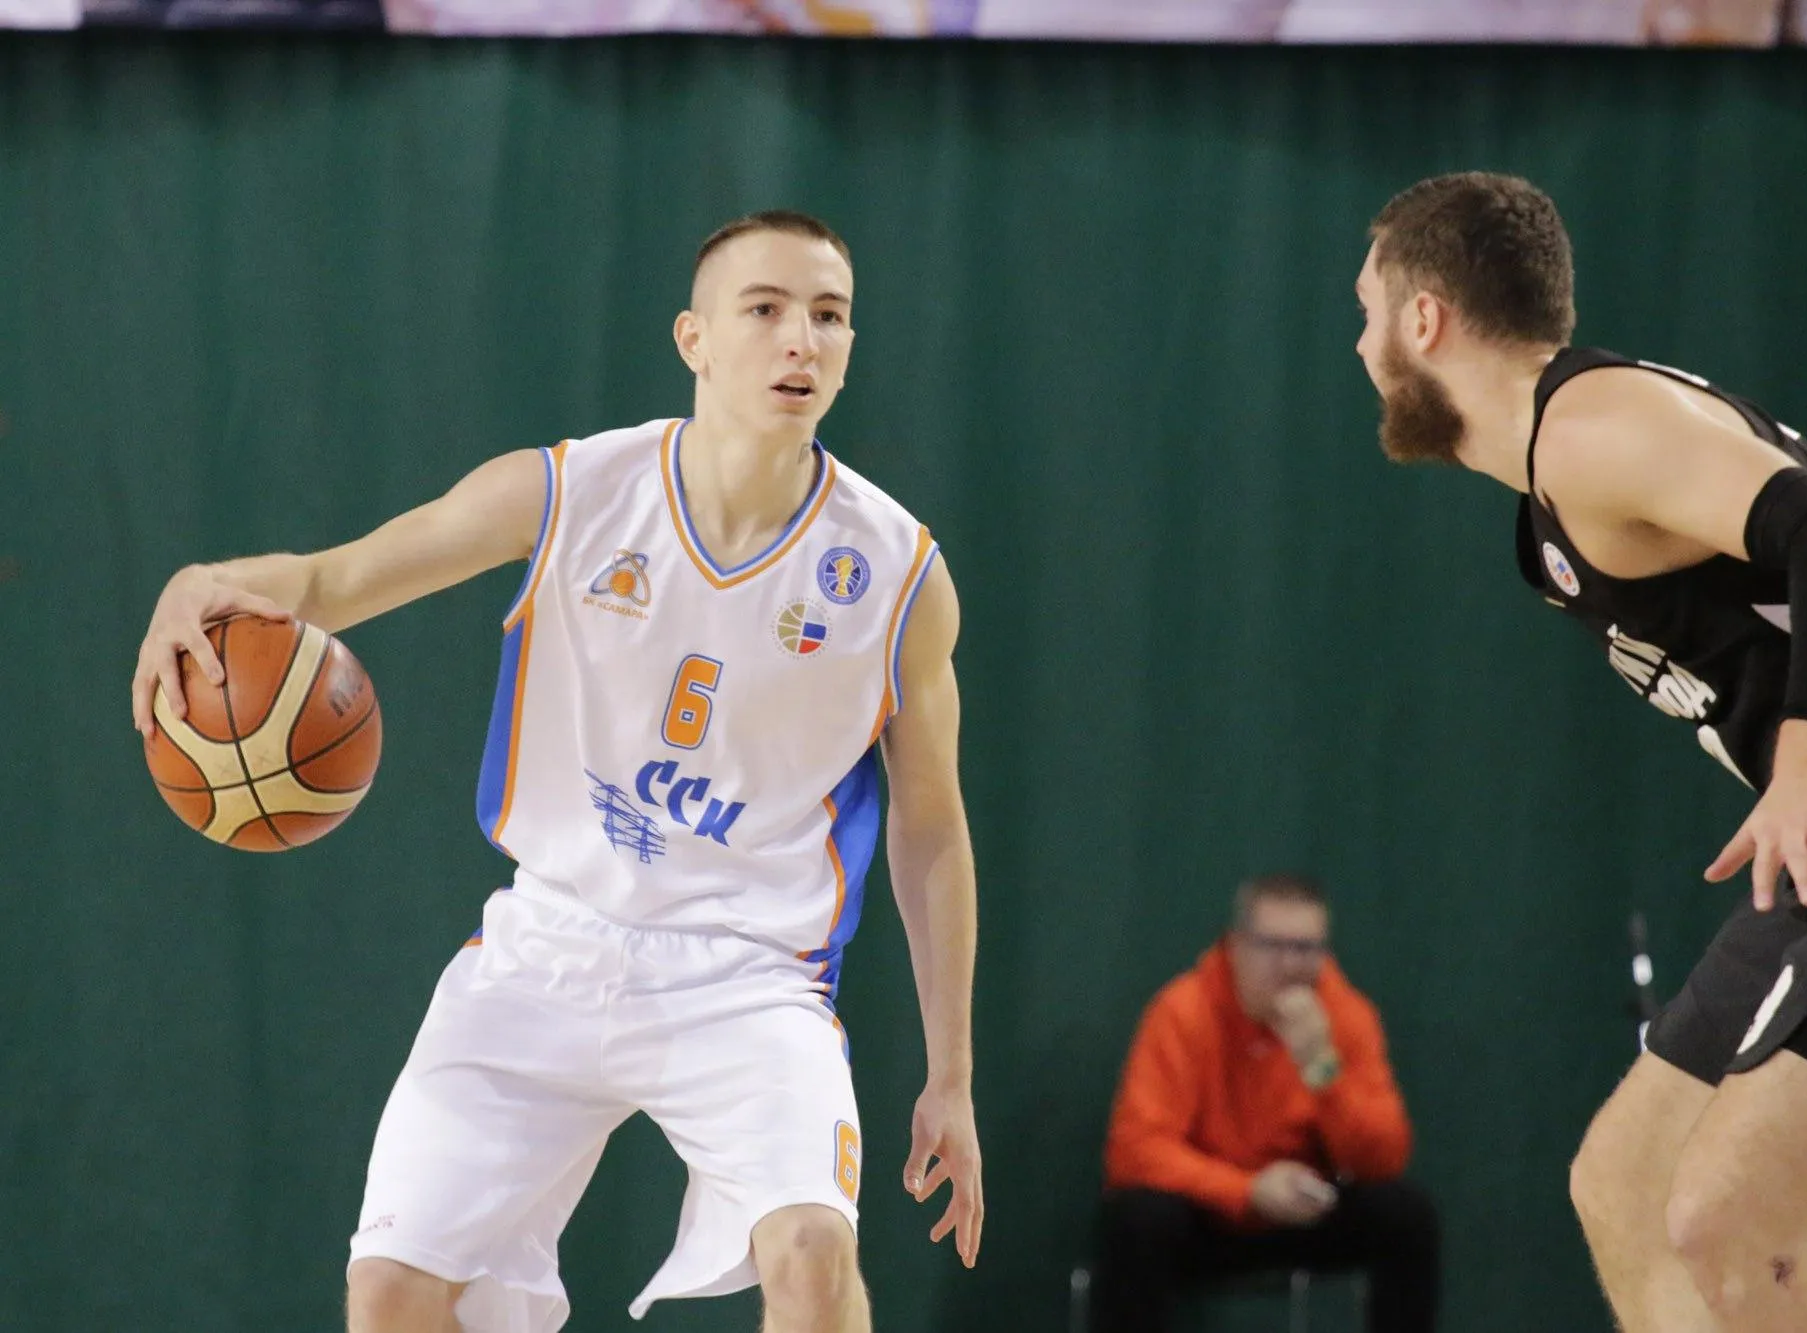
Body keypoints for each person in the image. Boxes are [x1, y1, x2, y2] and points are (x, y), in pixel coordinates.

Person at [130, 210, 983, 1333]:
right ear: (692, 338)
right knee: (388, 1292)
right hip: (550, 943)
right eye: (766, 309)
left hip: (750, 972)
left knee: (815, 1258)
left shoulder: (898, 572)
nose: (800, 339)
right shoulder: (572, 490)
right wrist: (198, 582)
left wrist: (950, 1073)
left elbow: (931, 830)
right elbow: (335, 581)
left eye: (829, 316)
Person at [1357, 171, 1807, 1331]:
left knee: (1724, 1219)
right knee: (1624, 1187)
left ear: (1422, 318)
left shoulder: (1590, 430)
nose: (1359, 347)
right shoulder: (1554, 481)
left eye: (1365, 314)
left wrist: (1804, 756)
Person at [1091, 874, 1439, 1333]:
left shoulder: (1347, 1015)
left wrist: (1322, 1070)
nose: (1291, 965)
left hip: (1302, 1214)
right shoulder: (1183, 1011)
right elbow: (1135, 1150)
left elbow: (1383, 1159)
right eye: (1273, 946)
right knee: (1137, 1220)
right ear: (1236, 945)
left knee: (1406, 1215)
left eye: (1307, 949)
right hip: (1208, 1214)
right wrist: (1248, 1191)